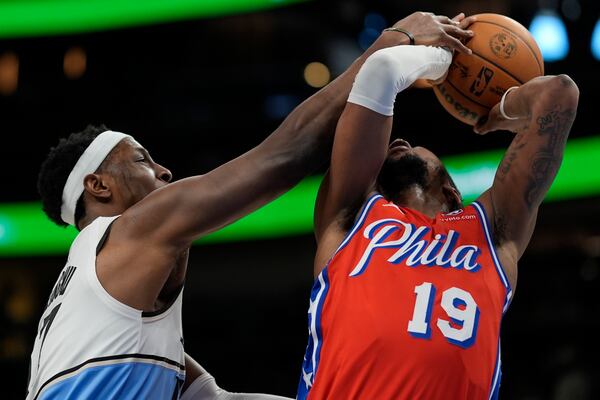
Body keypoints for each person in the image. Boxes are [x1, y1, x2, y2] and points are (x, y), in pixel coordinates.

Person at [25, 11, 476, 400]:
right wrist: (393, 43)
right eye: (142, 160)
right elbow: (285, 155)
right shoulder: (127, 231)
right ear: (98, 186)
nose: (164, 172)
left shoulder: (81, 320)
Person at [297, 34, 579, 399]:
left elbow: (559, 93)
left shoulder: (488, 232)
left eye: (413, 145)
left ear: (452, 192)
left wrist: (501, 111)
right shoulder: (352, 217)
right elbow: (381, 71)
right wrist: (442, 63)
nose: (399, 141)